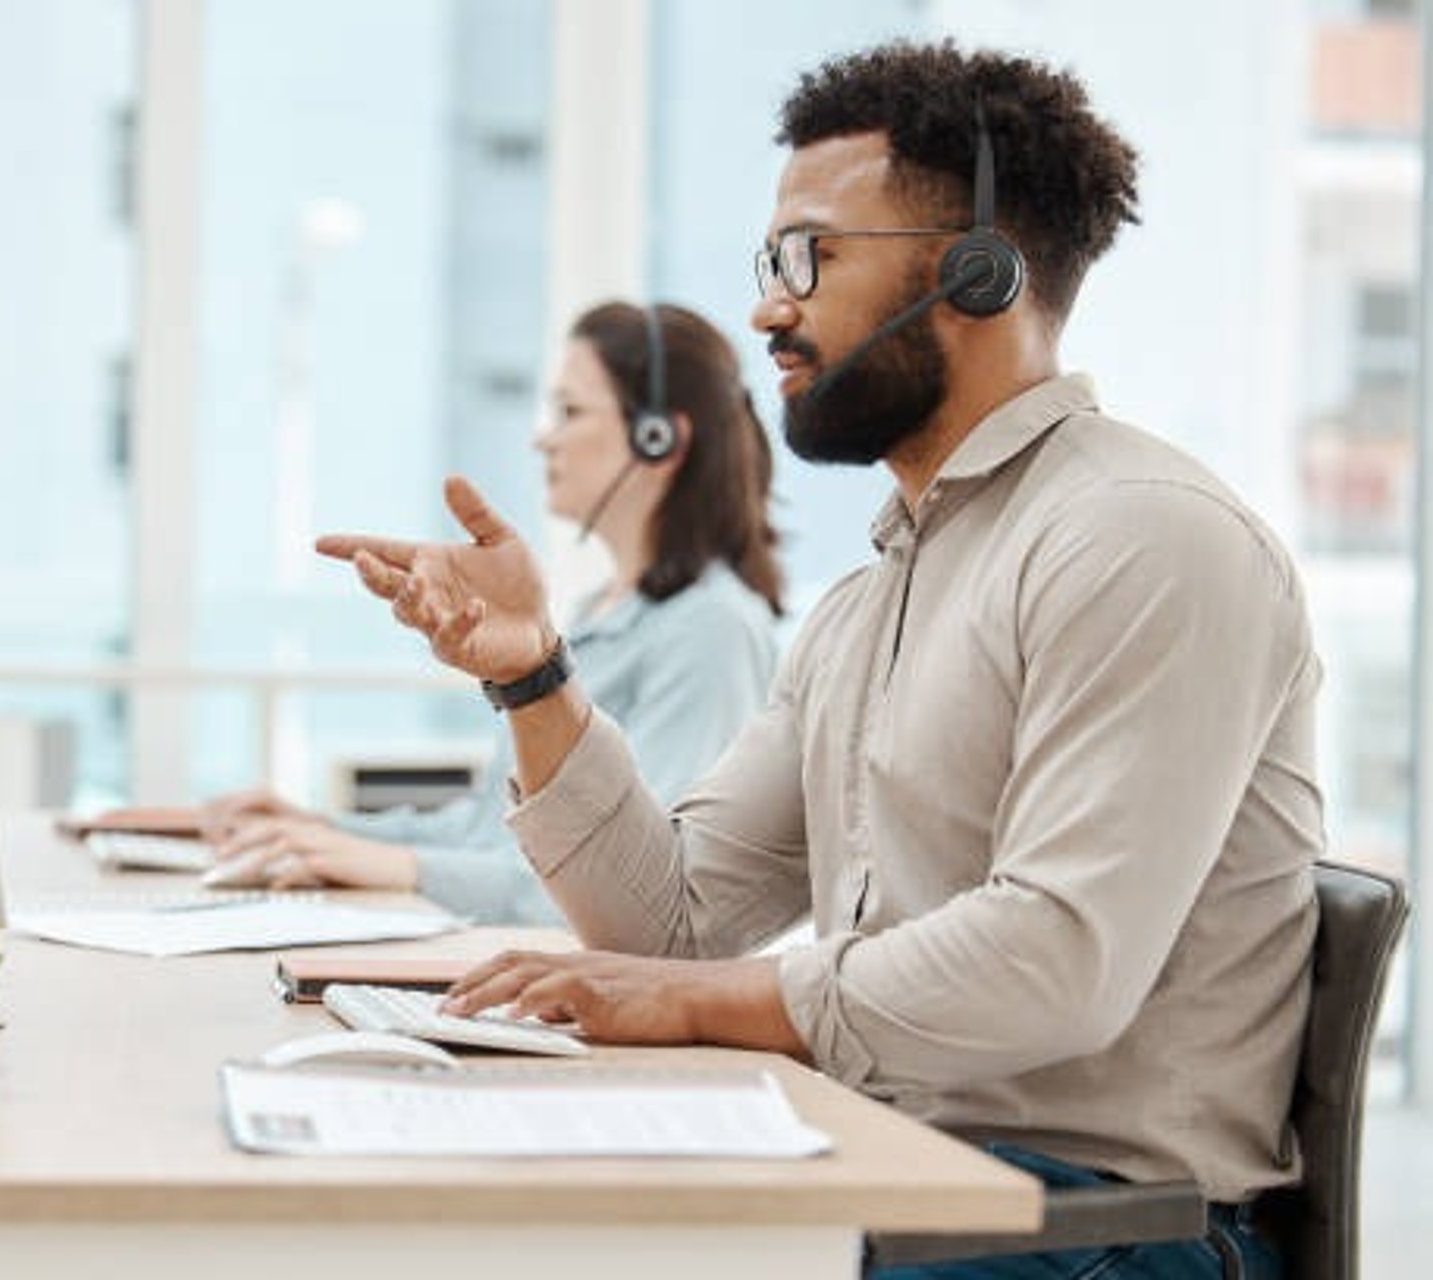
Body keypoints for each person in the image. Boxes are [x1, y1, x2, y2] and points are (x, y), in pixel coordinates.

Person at [316, 41, 1317, 1280]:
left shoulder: (1145, 540)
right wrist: (532, 674)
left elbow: (1057, 964)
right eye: (768, 261)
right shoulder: (871, 601)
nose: (767, 308)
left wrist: (700, 1002)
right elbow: (676, 926)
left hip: (1094, 1227)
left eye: (809, 256)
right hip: (897, 1165)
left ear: (978, 271)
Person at [202, 301, 784, 924]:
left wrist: (400, 868)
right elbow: (485, 831)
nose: (542, 437)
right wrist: (319, 827)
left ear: (658, 437)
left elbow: (637, 892)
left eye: (569, 411)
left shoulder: (711, 631)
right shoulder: (600, 612)